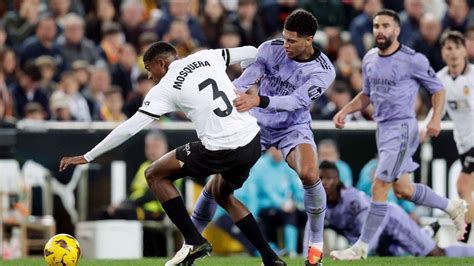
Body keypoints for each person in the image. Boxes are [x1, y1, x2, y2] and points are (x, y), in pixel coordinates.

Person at [59, 41, 285, 266]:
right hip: (252, 140)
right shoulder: (206, 56)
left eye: (148, 69)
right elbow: (254, 52)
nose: (148, 76)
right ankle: (270, 257)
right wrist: (247, 68)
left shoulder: (165, 87)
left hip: (221, 149)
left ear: (161, 63)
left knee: (154, 174)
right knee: (222, 194)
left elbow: (128, 128)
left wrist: (89, 155)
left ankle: (193, 240)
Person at [191, 9, 335, 266]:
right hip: (256, 124)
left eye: (292, 40)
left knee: (310, 175)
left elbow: (296, 101)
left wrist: (258, 99)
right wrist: (227, 94)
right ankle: (190, 242)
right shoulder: (270, 48)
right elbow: (246, 79)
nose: (286, 44)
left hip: (294, 127)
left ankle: (315, 248)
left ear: (309, 39)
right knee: (218, 184)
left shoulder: (324, 71)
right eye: (285, 38)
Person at [331, 9, 467, 260]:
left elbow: (437, 90)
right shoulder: (370, 58)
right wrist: (345, 110)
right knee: (403, 189)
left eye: (385, 26)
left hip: (403, 127)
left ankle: (361, 247)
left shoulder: (413, 59)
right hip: (383, 129)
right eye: (376, 26)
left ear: (396, 30)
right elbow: (366, 95)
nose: (380, 30)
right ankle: (452, 206)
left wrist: (435, 118)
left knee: (379, 184)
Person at [319, 161, 474, 258]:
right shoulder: (319, 203)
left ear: (337, 180)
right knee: (401, 256)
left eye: (329, 179)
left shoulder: (351, 199)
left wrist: (365, 246)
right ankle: (426, 232)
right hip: (375, 235)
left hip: (389, 222)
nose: (325, 183)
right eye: (321, 179)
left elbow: (373, 218)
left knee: (435, 254)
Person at [430, 30, 474, 242]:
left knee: (463, 183)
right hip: (464, 142)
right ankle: (466, 235)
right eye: (449, 48)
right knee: (463, 187)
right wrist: (426, 126)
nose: (454, 52)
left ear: (465, 50)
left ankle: (464, 236)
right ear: (443, 53)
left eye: (457, 47)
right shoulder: (440, 79)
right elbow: (436, 108)